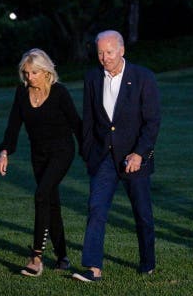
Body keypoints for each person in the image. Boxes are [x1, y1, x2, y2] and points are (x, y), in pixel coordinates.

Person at [72, 30, 161, 282]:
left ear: (122, 51)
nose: (104, 58)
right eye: (100, 52)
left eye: (109, 52)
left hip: (135, 159)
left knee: (142, 213)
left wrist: (139, 154)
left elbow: (152, 121)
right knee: (96, 208)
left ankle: (147, 262)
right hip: (102, 158)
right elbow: (88, 120)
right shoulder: (92, 78)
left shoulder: (143, 77)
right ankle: (93, 267)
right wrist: (88, 154)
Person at [0, 48, 83, 277]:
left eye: (34, 73)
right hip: (39, 155)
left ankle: (36, 257)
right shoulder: (22, 93)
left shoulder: (59, 93)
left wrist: (89, 153)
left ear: (46, 72)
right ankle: (62, 256)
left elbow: (76, 124)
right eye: (26, 73)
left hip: (62, 152)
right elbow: (13, 124)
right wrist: (5, 152)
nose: (29, 77)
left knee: (41, 194)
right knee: (51, 202)